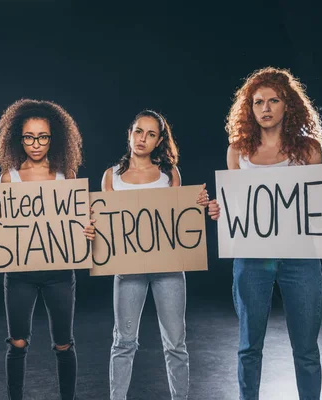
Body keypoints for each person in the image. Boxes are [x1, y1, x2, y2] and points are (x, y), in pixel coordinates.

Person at [208, 67, 322, 400]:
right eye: (258, 101)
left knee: (306, 348)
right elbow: (237, 206)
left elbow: (315, 202)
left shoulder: (308, 150)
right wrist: (221, 209)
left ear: (287, 105)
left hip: (300, 257)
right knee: (249, 346)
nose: (265, 108)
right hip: (251, 256)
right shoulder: (238, 151)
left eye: (273, 100)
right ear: (249, 108)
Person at [0, 99, 95, 400]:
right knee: (17, 343)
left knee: (64, 344)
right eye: (29, 137)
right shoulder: (9, 178)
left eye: (43, 137)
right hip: (20, 275)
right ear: (18, 138)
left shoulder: (68, 176)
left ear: (54, 138)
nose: (35, 144)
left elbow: (78, 221)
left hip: (60, 274)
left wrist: (87, 230)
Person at [101, 110, 208, 400]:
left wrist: (196, 204)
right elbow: (108, 226)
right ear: (130, 133)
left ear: (159, 140)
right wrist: (92, 227)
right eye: (138, 131)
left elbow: (179, 221)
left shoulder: (169, 174)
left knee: (175, 342)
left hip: (169, 268)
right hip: (128, 270)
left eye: (150, 134)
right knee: (123, 341)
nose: (142, 138)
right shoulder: (111, 176)